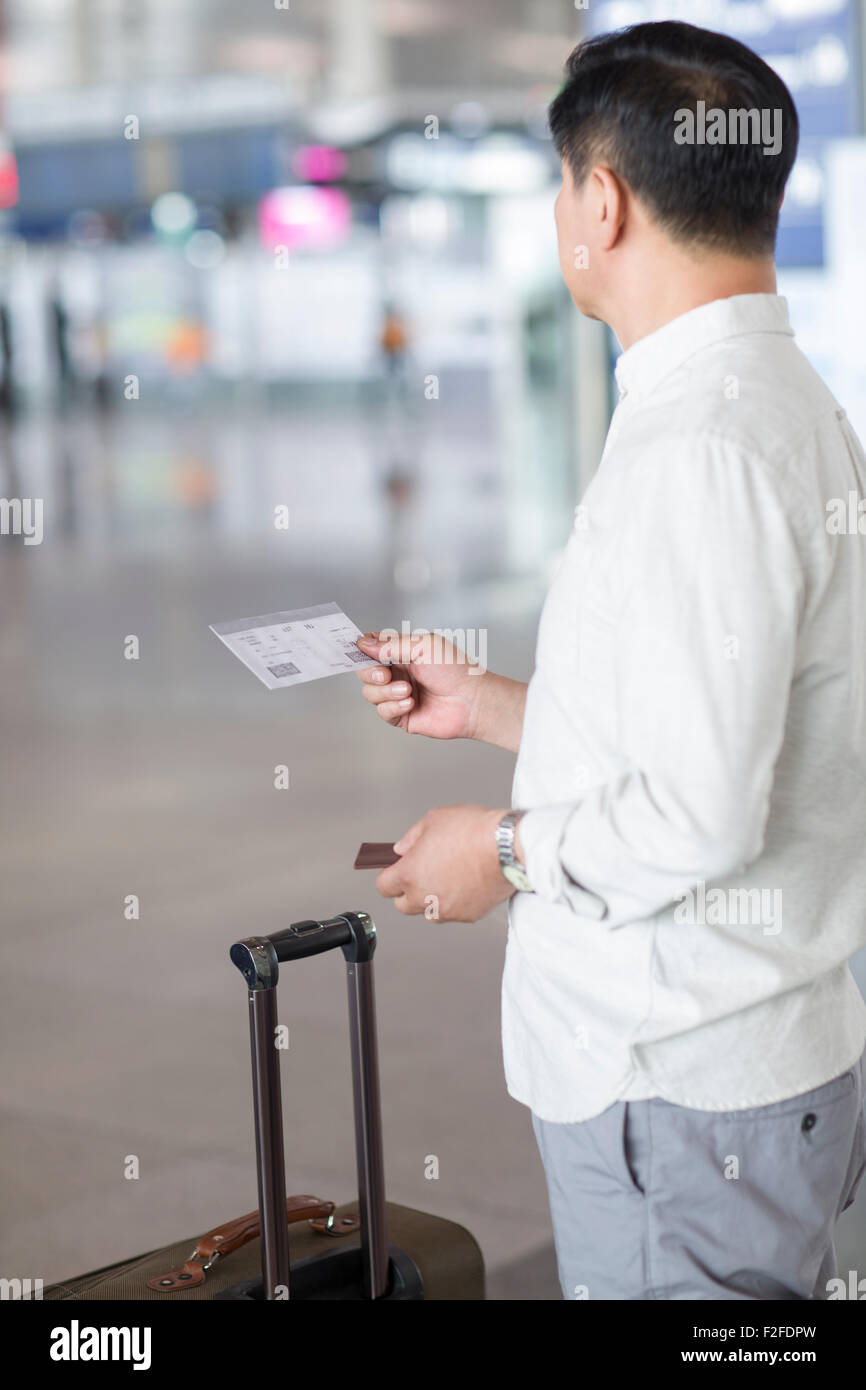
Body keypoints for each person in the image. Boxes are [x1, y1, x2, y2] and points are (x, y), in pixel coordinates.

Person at [354, 21, 866, 1301]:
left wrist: (501, 851)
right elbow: (722, 728)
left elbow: (697, 811)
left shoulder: (703, 444)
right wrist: (492, 707)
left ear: (602, 197)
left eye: (556, 189)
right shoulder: (774, 405)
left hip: (677, 1093)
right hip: (731, 1075)